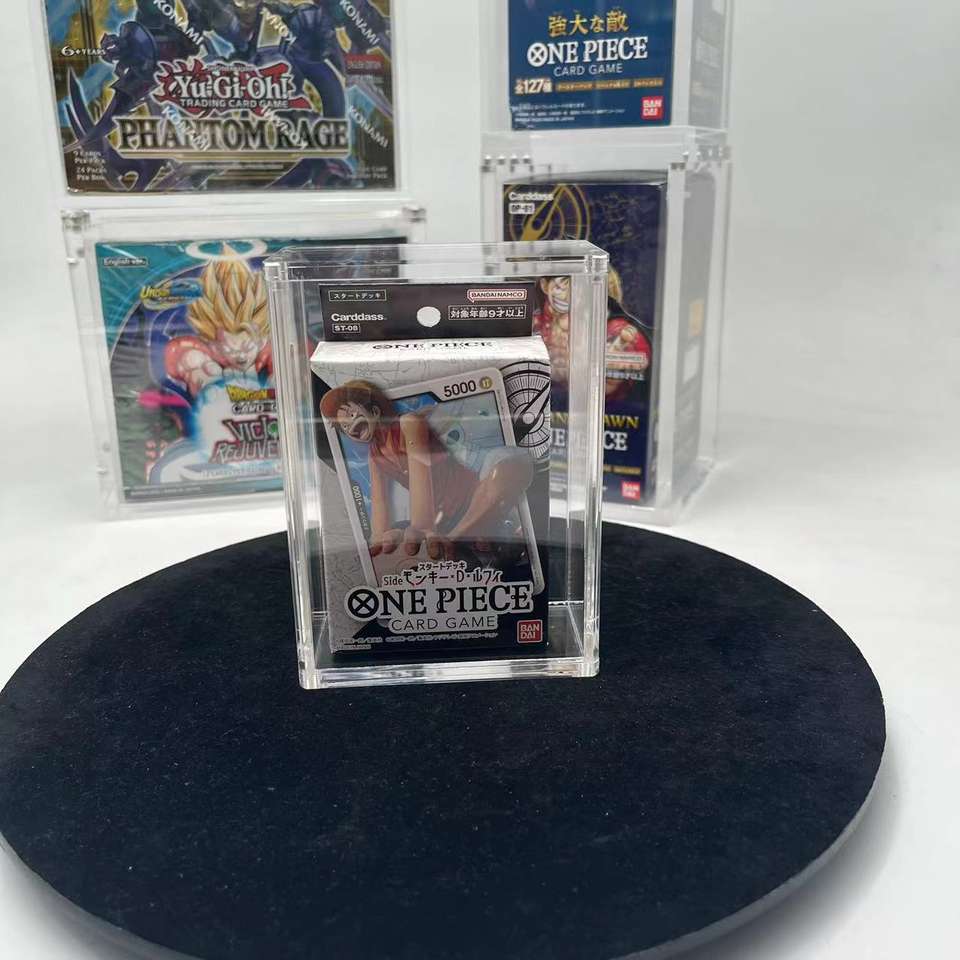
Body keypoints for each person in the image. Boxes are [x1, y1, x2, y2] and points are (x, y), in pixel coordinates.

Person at [320, 382, 533, 561]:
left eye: (351, 414)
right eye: (343, 426)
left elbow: (420, 469)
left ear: (374, 412)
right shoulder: (375, 455)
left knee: (509, 469)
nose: (350, 425)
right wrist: (378, 537)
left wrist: (422, 527)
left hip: (471, 500)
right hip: (444, 518)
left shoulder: (408, 423)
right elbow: (379, 500)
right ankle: (456, 539)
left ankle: (456, 538)